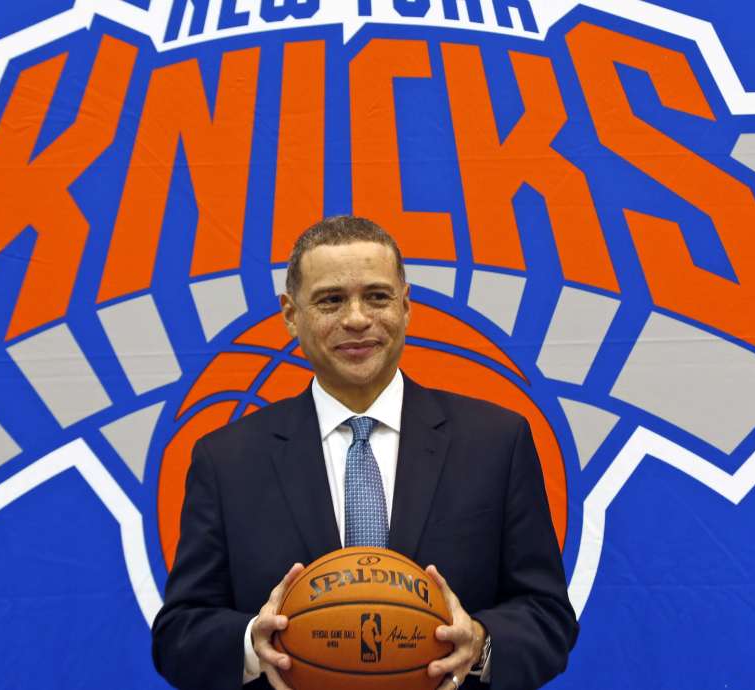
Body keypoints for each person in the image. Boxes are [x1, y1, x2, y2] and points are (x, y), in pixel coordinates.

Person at [151, 216, 578, 689]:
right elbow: (178, 635)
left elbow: (547, 616)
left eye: (377, 296)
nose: (356, 319)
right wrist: (254, 642)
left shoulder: (496, 442)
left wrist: (480, 643)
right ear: (291, 314)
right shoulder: (227, 460)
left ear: (406, 306)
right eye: (331, 300)